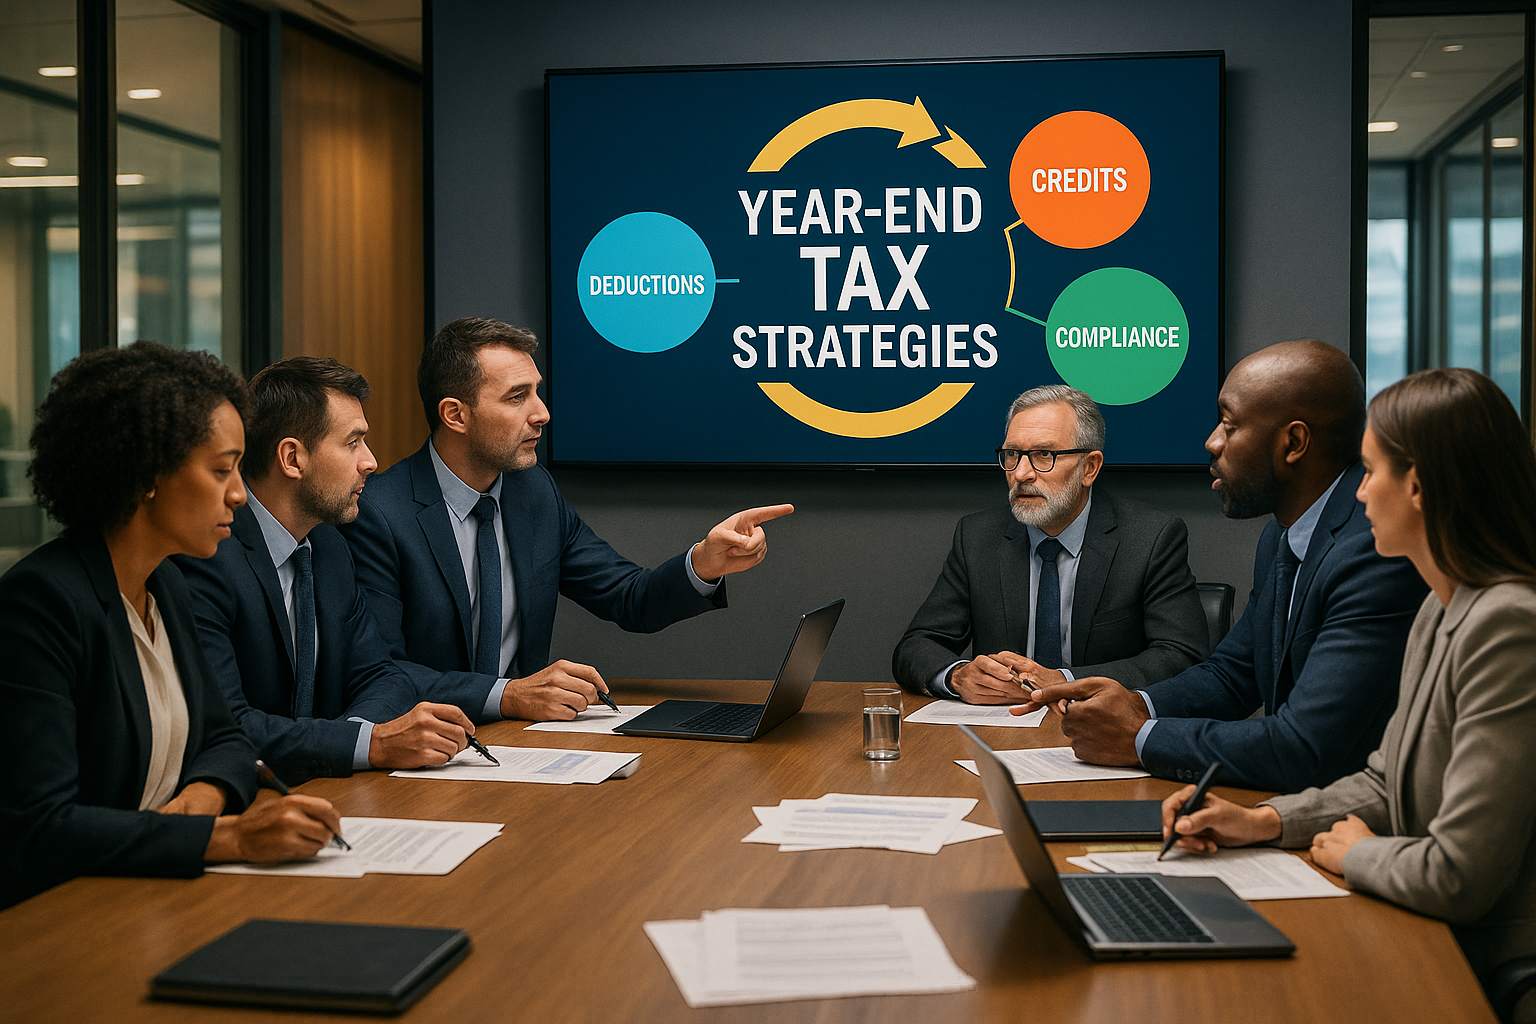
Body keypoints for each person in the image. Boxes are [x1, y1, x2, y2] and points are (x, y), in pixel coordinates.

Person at [1161, 368, 1536, 1022]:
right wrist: (1266, 823)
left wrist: (1356, 852)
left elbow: (1461, 877)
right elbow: (1387, 784)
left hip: (1476, 959)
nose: (1358, 495)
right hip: (1416, 920)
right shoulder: (1444, 609)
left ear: (1416, 485)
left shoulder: (1507, 626)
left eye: (1369, 472)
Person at [0, 342, 341, 909]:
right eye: (220, 470)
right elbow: (39, 829)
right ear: (147, 474)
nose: (238, 493)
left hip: (157, 891)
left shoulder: (165, 583)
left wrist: (200, 801)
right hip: (62, 918)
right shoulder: (39, 606)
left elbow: (226, 738)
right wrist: (224, 836)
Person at [1015, 339, 1427, 791]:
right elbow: (1233, 674)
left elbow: (1306, 746)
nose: (1212, 441)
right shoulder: (1282, 534)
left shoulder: (1376, 549)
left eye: (1229, 425)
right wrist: (1136, 703)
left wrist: (1140, 738)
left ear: (1293, 442)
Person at [343, 317, 793, 721]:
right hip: (428, 751)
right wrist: (508, 695)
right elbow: (383, 671)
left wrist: (705, 563)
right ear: (455, 415)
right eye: (517, 398)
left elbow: (629, 597)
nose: (542, 414)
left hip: (526, 743)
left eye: (537, 392)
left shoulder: (533, 491)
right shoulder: (379, 513)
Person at [176, 358, 476, 782]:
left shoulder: (328, 543)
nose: (370, 462)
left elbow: (379, 674)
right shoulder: (207, 557)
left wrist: (355, 741)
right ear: (292, 458)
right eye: (353, 443)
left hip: (323, 792)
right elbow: (228, 725)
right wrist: (372, 745)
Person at [892, 385, 1208, 702]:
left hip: (1102, 729)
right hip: (999, 728)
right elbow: (916, 646)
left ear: (1090, 468)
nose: (1021, 473)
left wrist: (1063, 681)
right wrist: (958, 676)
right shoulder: (978, 536)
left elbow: (1182, 655)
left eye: (1044, 455)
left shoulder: (1151, 538)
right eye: (1012, 455)